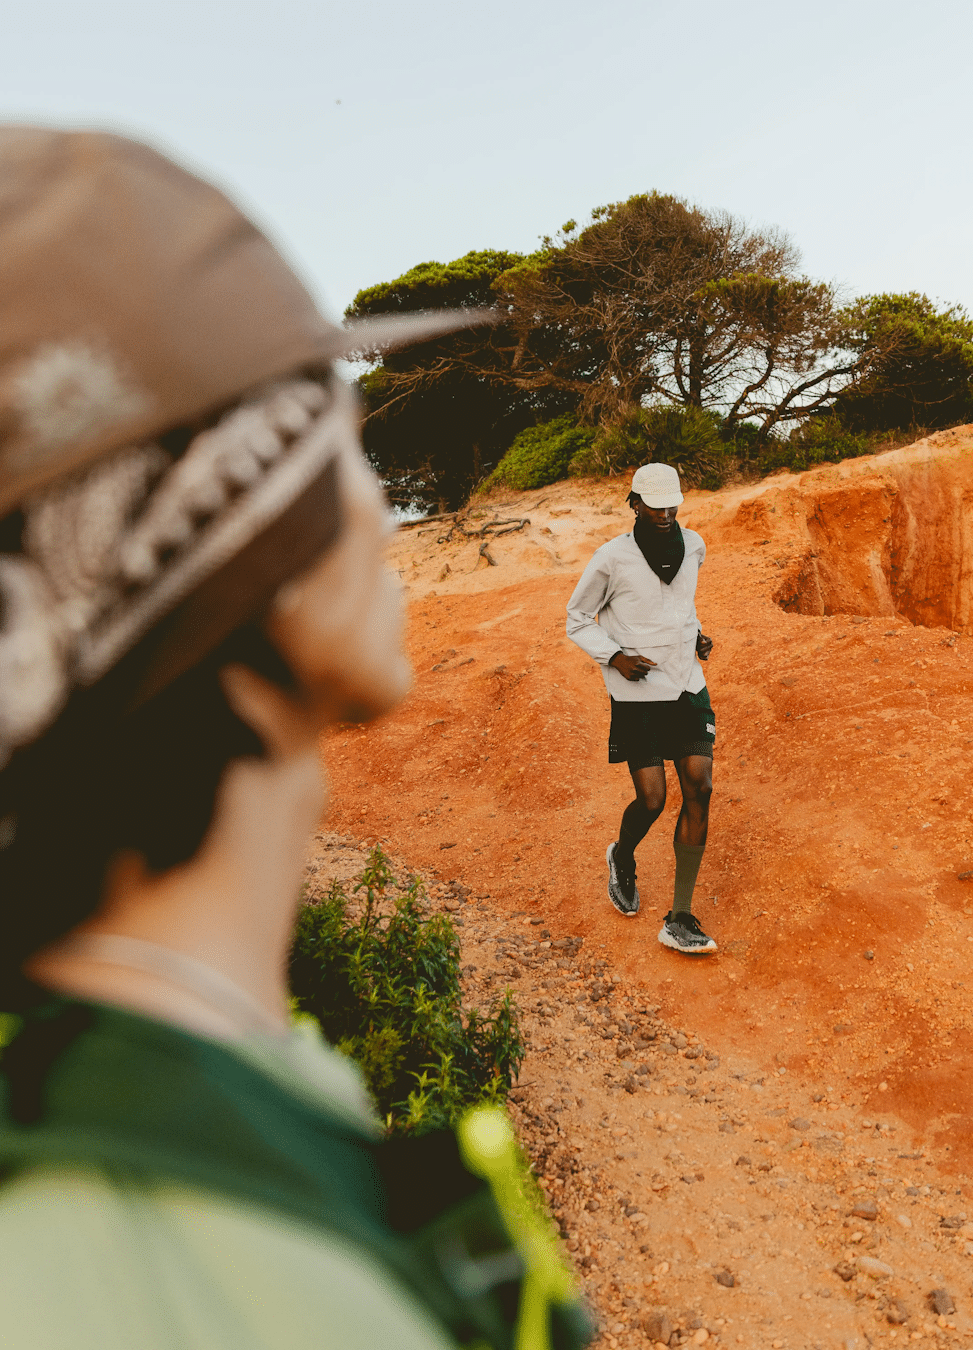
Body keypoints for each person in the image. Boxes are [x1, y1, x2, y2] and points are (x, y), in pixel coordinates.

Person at [0, 126, 587, 1350]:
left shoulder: (177, 1121)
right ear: (235, 549)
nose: (383, 505)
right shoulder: (200, 1286)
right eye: (339, 437)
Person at [566, 462, 717, 954]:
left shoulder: (694, 545)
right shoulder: (611, 559)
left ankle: (680, 916)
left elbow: (680, 605)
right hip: (637, 694)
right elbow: (576, 619)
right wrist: (615, 657)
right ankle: (623, 856)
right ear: (634, 504)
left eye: (673, 504)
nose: (667, 513)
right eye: (656, 506)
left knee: (699, 786)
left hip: (686, 683)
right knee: (652, 800)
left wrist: (697, 635)